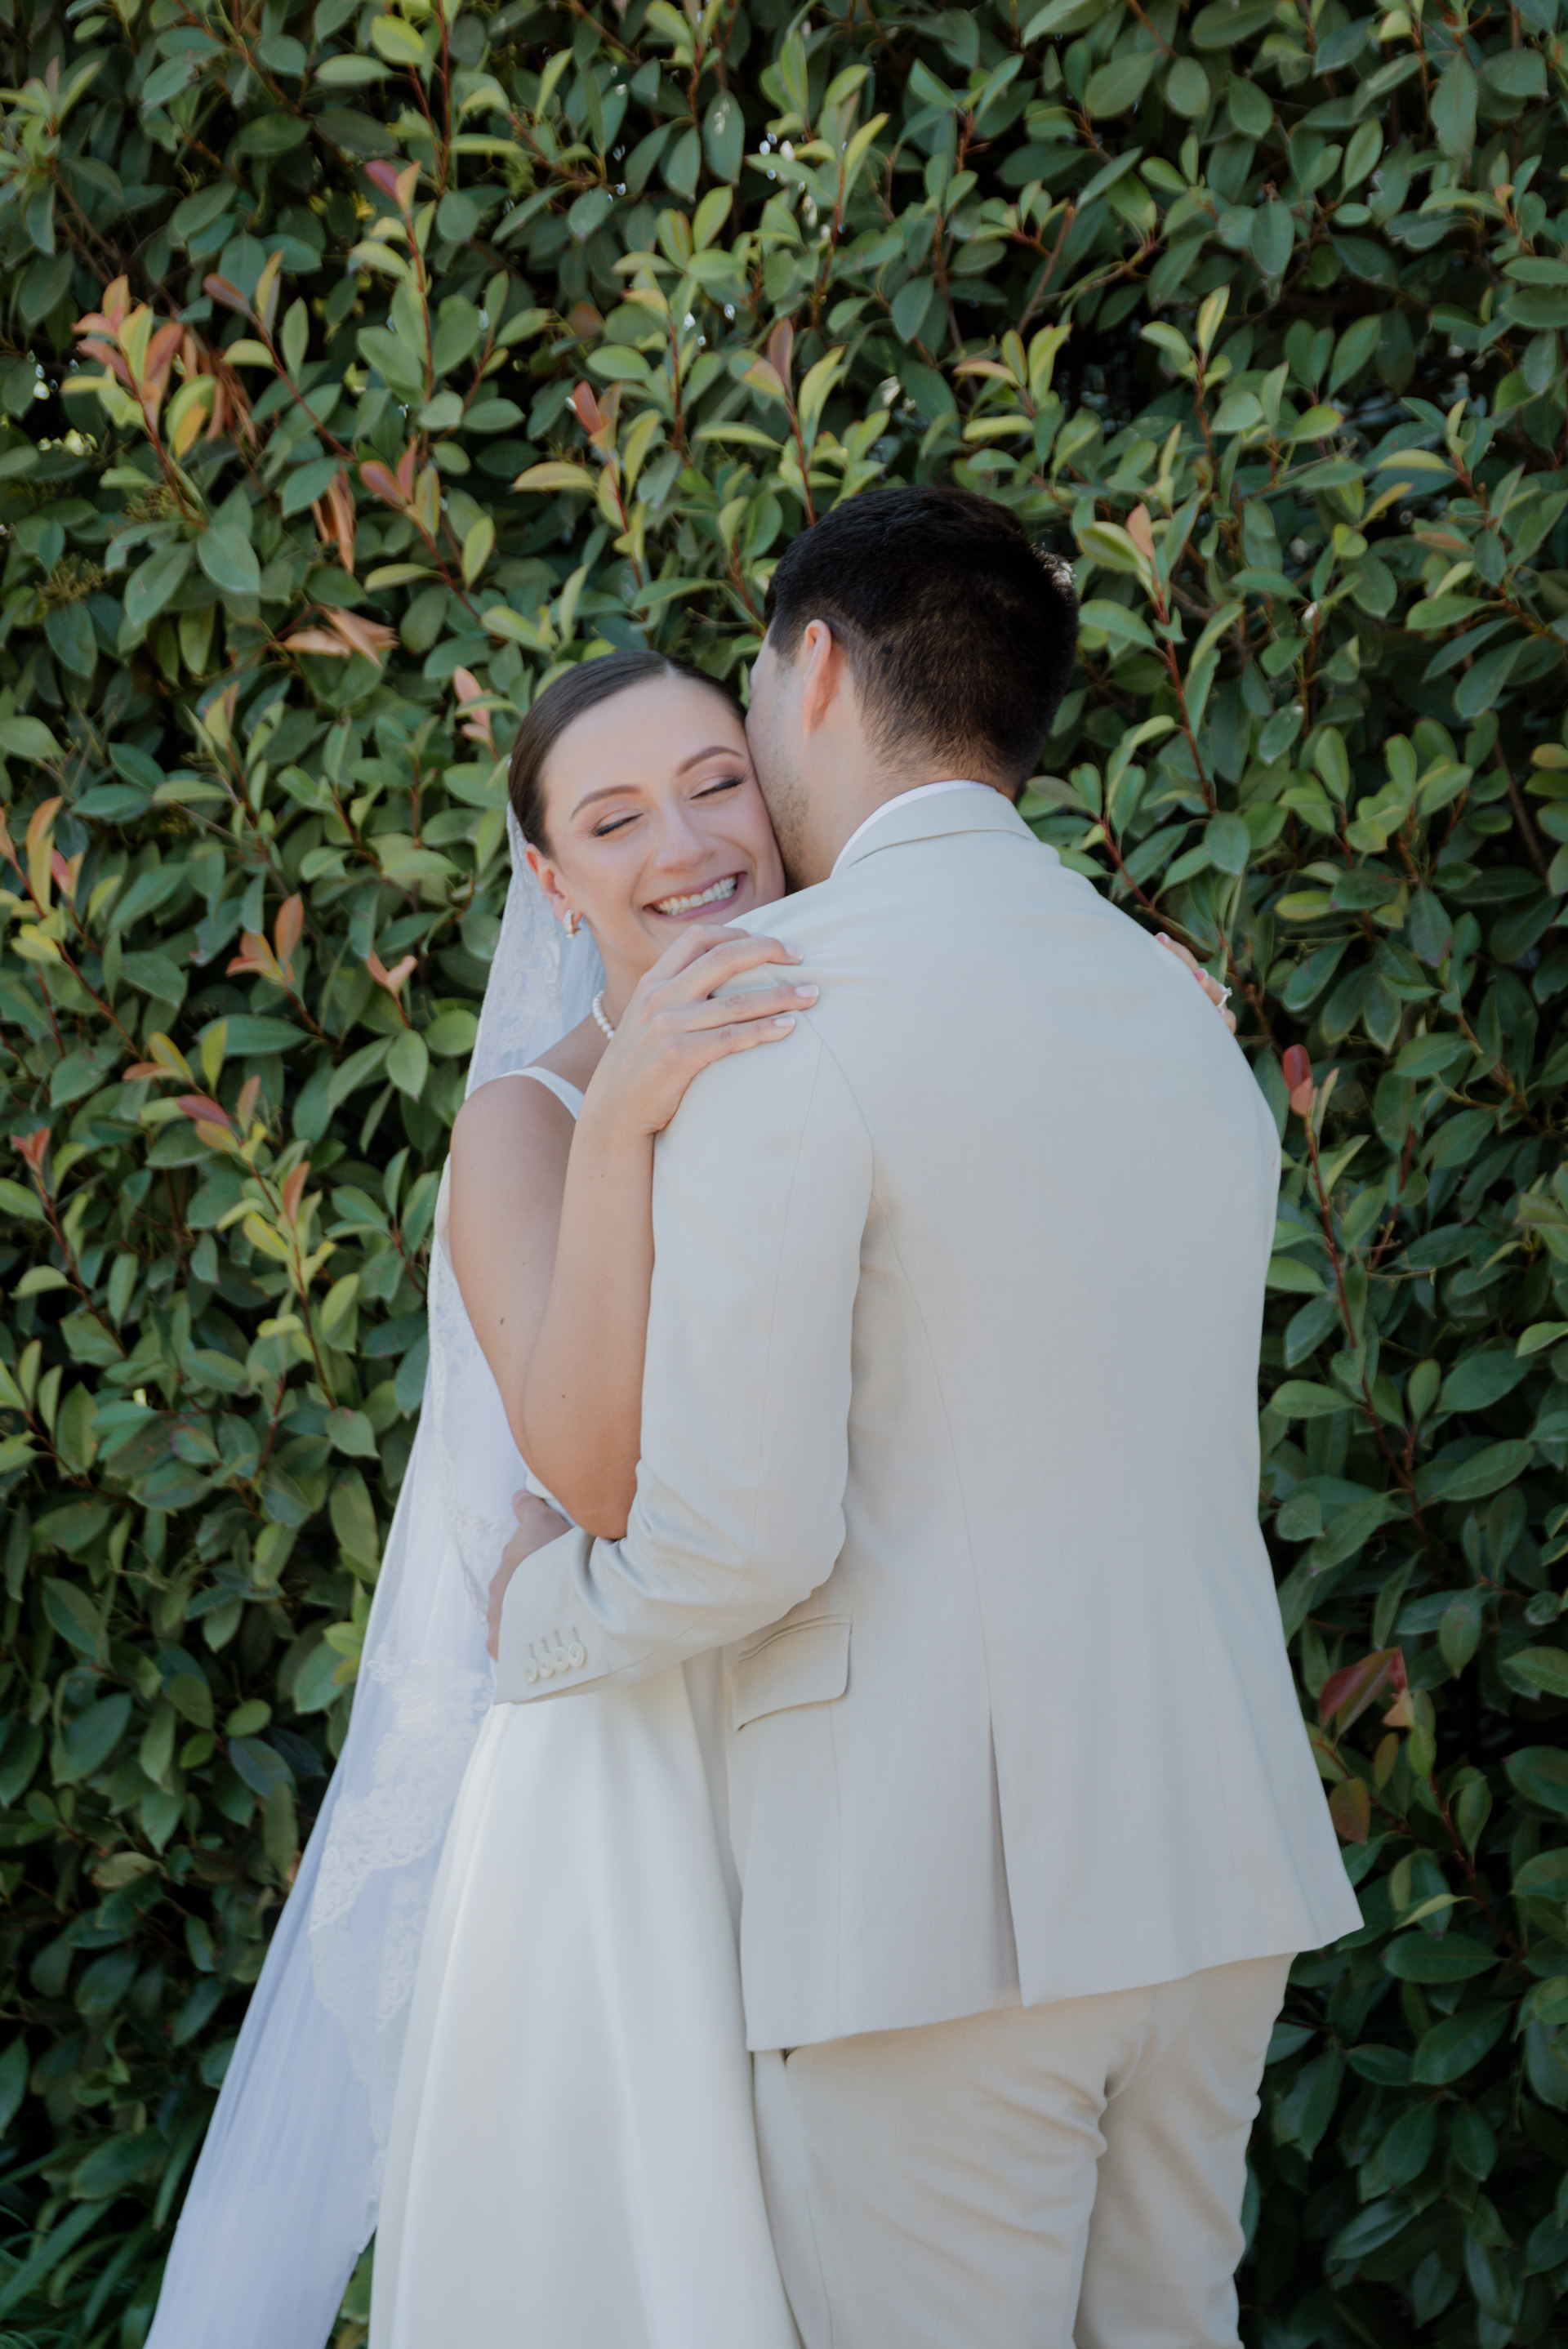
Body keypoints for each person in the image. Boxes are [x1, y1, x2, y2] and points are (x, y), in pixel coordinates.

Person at [487, 486, 1363, 2349]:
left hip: (933, 1913)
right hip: (1217, 1872)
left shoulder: (781, 1013)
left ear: (810, 667)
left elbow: (737, 1537)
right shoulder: (1170, 998)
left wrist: (536, 1610)